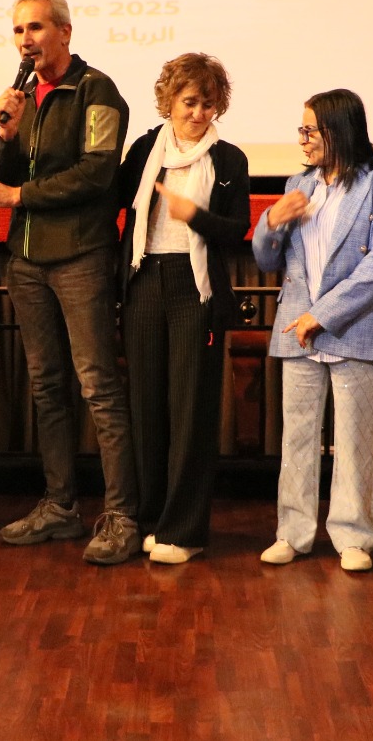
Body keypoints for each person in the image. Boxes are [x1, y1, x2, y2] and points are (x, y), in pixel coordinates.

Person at [0, 0, 138, 565]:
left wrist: (17, 195)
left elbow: (96, 174)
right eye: (18, 30)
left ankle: (122, 516)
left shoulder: (96, 90)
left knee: (98, 386)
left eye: (35, 27)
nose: (25, 39)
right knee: (46, 386)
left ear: (64, 31)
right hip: (27, 262)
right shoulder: (23, 98)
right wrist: (7, 134)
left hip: (81, 255)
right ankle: (60, 506)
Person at [252, 89, 373, 572]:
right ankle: (292, 533)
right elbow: (268, 259)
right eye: (300, 130)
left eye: (309, 131)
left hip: (354, 323)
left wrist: (322, 315)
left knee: (355, 438)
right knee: (296, 437)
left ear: (338, 130)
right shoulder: (299, 183)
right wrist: (270, 222)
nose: (302, 140)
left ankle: (354, 536)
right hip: (296, 324)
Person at [116, 53, 251, 565]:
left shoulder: (229, 159)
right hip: (144, 279)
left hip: (196, 289)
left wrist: (195, 214)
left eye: (208, 104)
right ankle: (153, 521)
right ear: (169, 100)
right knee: (147, 407)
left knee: (191, 410)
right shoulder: (145, 149)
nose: (199, 113)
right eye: (190, 102)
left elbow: (236, 230)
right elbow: (113, 202)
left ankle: (185, 529)